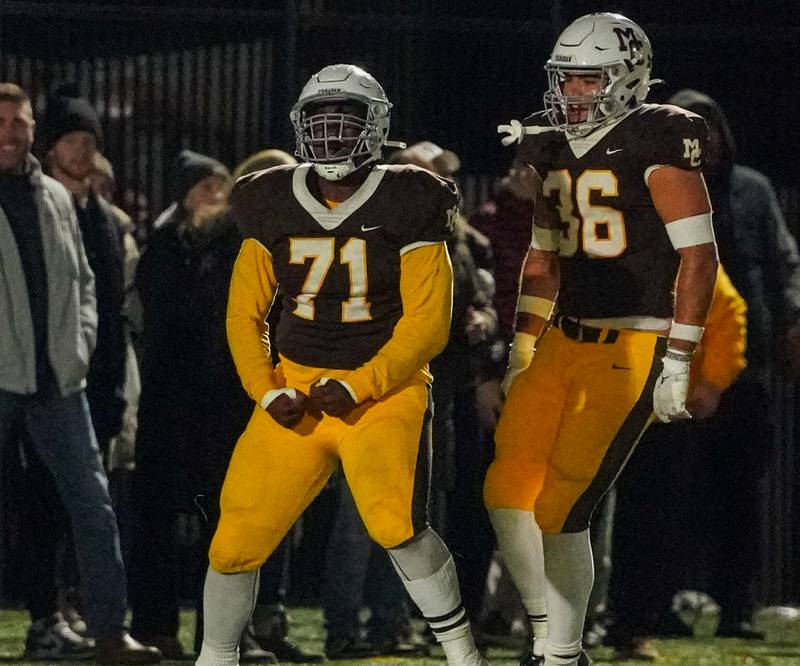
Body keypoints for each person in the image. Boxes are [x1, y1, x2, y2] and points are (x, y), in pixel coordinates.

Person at [195, 63, 486, 666]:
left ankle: (462, 653)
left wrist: (363, 383)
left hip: (386, 388)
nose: (329, 136)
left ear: (376, 128)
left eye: (344, 121)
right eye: (319, 122)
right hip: (299, 386)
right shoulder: (269, 196)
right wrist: (264, 388)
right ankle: (215, 657)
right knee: (235, 536)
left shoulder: (411, 195)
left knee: (394, 524)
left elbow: (429, 322)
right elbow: (244, 313)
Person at [486, 13, 719, 666]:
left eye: (588, 80)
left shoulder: (660, 135)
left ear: (627, 79)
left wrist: (679, 357)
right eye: (567, 79)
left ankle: (560, 652)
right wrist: (523, 345)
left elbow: (699, 258)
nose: (573, 93)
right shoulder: (547, 144)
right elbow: (541, 258)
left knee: (564, 502)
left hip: (633, 342)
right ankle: (549, 633)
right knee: (506, 490)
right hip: (563, 338)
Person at [0, 81, 160, 665]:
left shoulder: (55, 199)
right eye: (3, 122)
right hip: (7, 377)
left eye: (19, 122)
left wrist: (78, 346)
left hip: (56, 382)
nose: (11, 133)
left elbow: (86, 284)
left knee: (94, 505)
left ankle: (109, 633)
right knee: (80, 506)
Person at [665, 89, 800, 638]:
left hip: (748, 369)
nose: (704, 139)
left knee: (742, 495)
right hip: (672, 368)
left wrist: (792, 324)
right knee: (670, 492)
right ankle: (663, 602)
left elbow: (783, 262)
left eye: (710, 127)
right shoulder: (657, 189)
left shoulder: (752, 190)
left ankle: (736, 606)